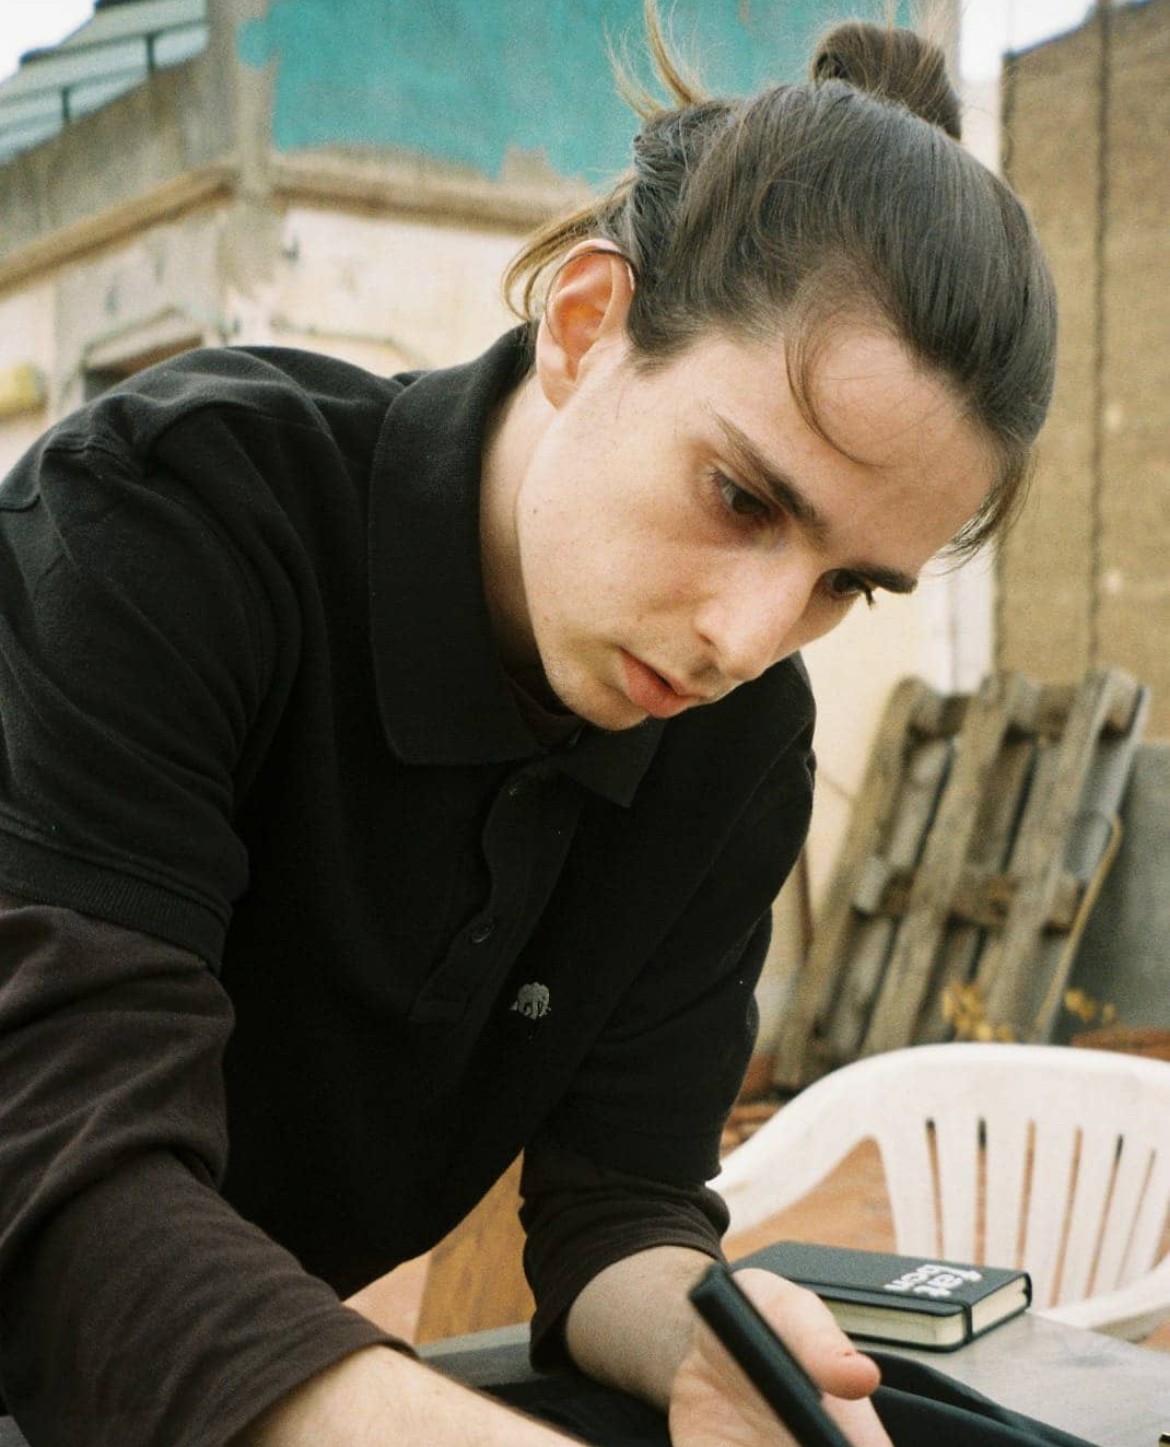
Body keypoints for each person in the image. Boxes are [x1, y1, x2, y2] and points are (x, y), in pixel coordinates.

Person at [0, 9, 1055, 1447]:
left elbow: (617, 1205)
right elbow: (57, 1181)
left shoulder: (732, 750)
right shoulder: (166, 527)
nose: (747, 641)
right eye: (742, 500)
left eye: (841, 587)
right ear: (583, 324)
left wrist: (707, 1342)